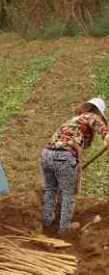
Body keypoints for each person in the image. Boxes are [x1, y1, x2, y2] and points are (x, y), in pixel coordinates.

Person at [41, 97, 109, 233]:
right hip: (64, 156)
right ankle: (65, 228)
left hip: (46, 154)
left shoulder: (74, 120)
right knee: (68, 193)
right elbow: (98, 124)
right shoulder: (91, 116)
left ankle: (47, 221)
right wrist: (106, 135)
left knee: (51, 189)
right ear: (98, 112)